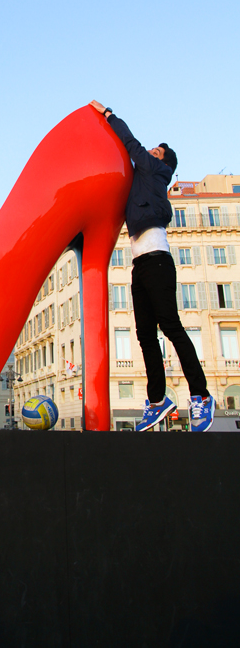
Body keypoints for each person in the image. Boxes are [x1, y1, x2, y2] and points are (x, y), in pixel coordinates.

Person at [90, 100, 215, 433]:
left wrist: (108, 115)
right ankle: (158, 400)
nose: (150, 151)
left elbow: (130, 144)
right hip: (139, 264)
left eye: (156, 151)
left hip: (158, 259)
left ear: (164, 164)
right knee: (145, 334)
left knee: (171, 327)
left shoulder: (155, 171)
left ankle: (201, 396)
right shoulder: (141, 178)